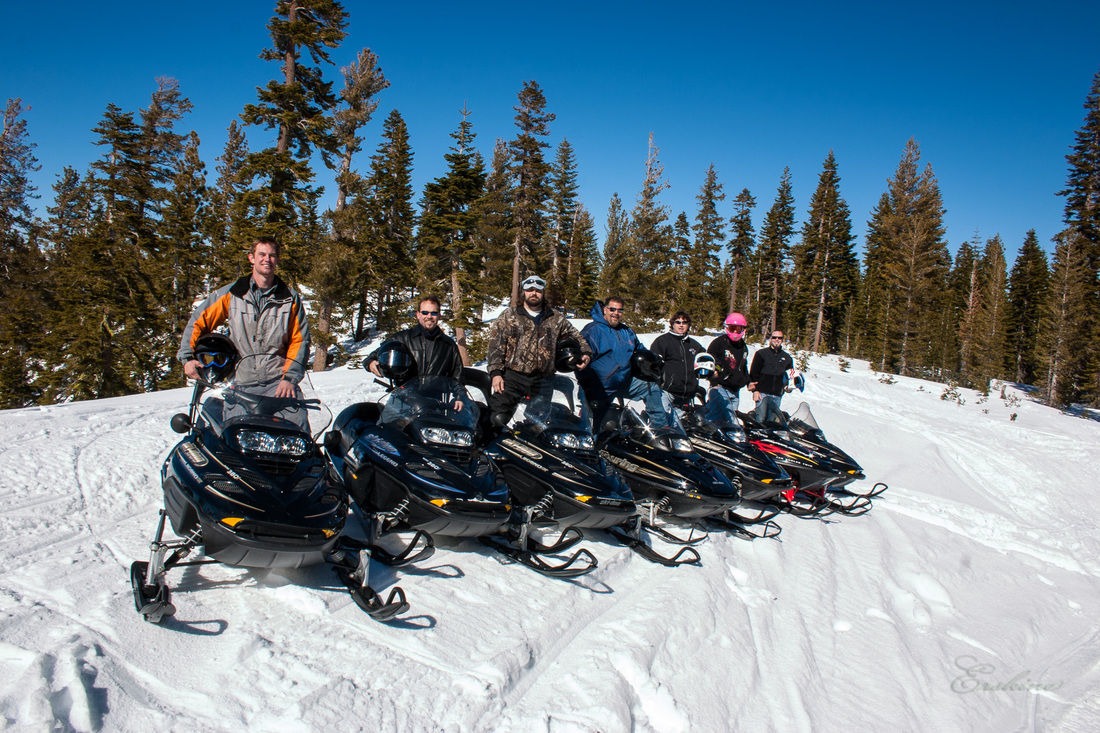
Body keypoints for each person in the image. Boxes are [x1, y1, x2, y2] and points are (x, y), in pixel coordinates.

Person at [179, 236, 310, 399]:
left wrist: (290, 378)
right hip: (240, 384)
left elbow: (299, 340)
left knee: (297, 415)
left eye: (272, 255)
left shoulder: (289, 298)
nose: (267, 259)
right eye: (262, 254)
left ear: (277, 260)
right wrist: (188, 358)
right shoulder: (233, 294)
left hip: (278, 383)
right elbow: (198, 322)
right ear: (251, 258)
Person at [486, 274, 592, 426]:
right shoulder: (510, 315)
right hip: (513, 377)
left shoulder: (555, 318)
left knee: (537, 424)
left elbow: (577, 336)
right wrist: (496, 372)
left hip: (543, 380)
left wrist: (586, 353)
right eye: (530, 290)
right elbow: (495, 345)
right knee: (496, 418)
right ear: (524, 292)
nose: (534, 293)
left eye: (538, 290)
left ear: (543, 293)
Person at [578, 296, 679, 430]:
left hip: (623, 382)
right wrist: (584, 368)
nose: (616, 313)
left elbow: (639, 348)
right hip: (598, 386)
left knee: (650, 387)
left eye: (620, 310)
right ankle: (589, 434)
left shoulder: (626, 331)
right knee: (592, 429)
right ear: (605, 310)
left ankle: (660, 427)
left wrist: (654, 358)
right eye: (612, 309)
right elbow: (580, 350)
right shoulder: (593, 330)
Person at [365, 295, 463, 381]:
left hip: (436, 395)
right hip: (405, 394)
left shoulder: (448, 345)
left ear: (439, 315)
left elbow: (458, 375)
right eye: (425, 312)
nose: (429, 316)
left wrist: (459, 393)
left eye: (434, 313)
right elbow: (373, 356)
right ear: (418, 314)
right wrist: (370, 363)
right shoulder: (402, 338)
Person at [650, 311, 705, 413]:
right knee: (664, 420)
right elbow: (652, 364)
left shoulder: (694, 345)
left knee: (686, 422)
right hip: (667, 392)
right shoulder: (662, 341)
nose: (681, 325)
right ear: (672, 324)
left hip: (688, 395)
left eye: (684, 322)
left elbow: (706, 359)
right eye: (678, 322)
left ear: (688, 325)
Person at [705, 312, 752, 426]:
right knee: (718, 418)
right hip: (720, 387)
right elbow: (709, 360)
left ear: (743, 330)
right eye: (732, 328)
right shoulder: (719, 343)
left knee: (730, 423)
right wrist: (717, 373)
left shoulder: (743, 347)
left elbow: (743, 366)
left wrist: (748, 381)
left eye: (738, 329)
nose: (735, 332)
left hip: (735, 390)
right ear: (727, 328)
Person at [748, 329, 796, 425]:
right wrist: (755, 391)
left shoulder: (787, 358)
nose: (777, 339)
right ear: (770, 339)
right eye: (774, 337)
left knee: (772, 422)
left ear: (782, 340)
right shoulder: (761, 354)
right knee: (760, 420)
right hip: (762, 394)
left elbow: (790, 376)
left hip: (777, 395)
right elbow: (753, 374)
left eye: (779, 338)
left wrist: (789, 387)